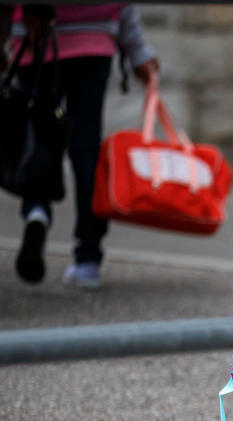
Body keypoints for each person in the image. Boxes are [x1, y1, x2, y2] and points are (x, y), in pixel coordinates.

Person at [3, 4, 158, 287]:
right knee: (86, 152)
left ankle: (36, 211)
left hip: (36, 34)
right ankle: (88, 258)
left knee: (36, 138)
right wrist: (138, 51)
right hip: (94, 42)